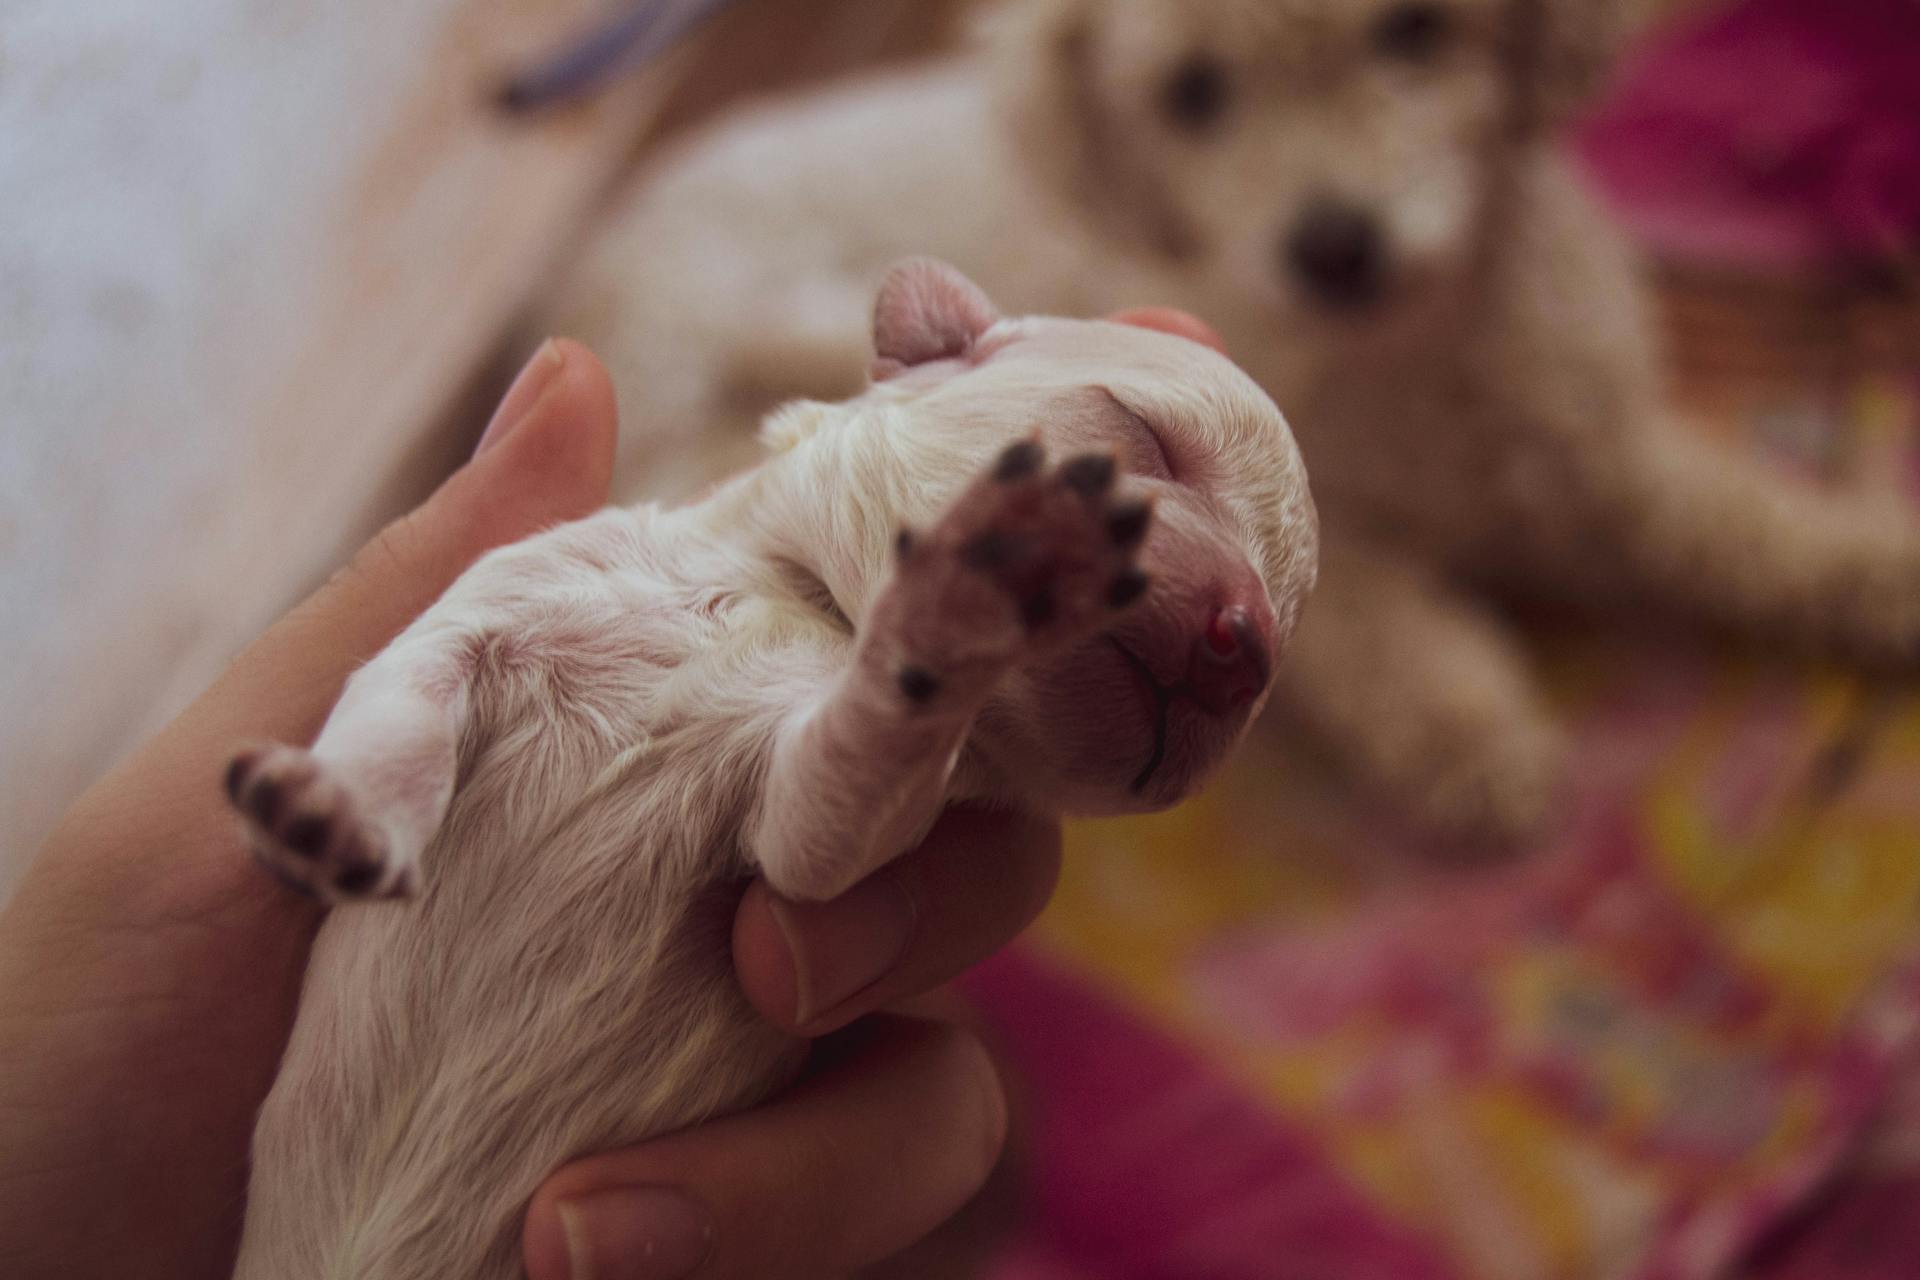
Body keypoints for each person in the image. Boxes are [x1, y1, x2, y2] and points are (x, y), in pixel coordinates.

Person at [0, 309, 1224, 1280]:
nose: (1233, 635)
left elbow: (811, 842)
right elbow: (442, 655)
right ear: (934, 355)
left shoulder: (890, 728)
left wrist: (924, 669)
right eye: (1146, 448)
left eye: (1251, 678)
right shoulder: (617, 550)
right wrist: (370, 789)